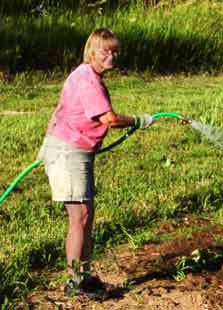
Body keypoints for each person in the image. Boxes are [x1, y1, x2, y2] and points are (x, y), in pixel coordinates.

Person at [37, 28, 152, 297]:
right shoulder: (88, 79)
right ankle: (76, 281)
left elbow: (73, 112)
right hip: (68, 152)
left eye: (115, 52)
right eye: (106, 51)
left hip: (72, 149)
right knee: (80, 216)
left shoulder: (83, 73)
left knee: (86, 215)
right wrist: (138, 120)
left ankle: (82, 277)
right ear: (92, 52)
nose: (112, 57)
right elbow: (109, 119)